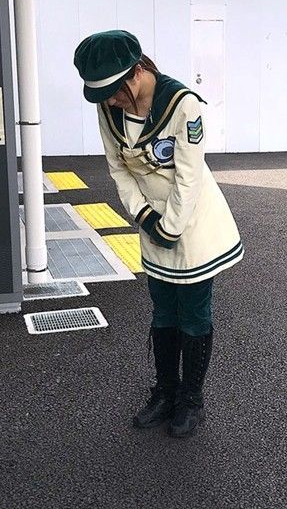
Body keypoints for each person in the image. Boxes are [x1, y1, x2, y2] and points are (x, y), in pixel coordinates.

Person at [73, 30, 243, 437]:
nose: (109, 102)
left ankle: (191, 400)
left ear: (136, 72)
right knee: (163, 311)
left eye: (113, 92)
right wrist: (146, 217)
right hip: (152, 221)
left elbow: (189, 177)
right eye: (101, 96)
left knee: (194, 313)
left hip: (193, 224)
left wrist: (171, 225)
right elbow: (118, 169)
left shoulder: (182, 104)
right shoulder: (109, 108)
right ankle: (165, 391)